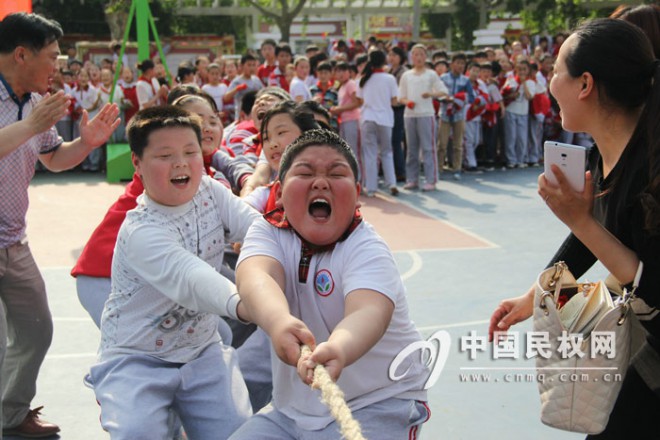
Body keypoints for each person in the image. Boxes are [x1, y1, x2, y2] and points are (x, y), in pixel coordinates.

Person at [488, 18, 660, 438]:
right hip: (640, 343)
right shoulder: (605, 154)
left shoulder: (651, 166)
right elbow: (587, 241)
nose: (549, 82)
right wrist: (533, 297)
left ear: (585, 84)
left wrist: (578, 219)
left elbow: (651, 285)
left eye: (554, 71)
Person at [230, 129, 430, 439]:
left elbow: (369, 312)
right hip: (290, 411)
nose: (321, 182)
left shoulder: (367, 248)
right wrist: (278, 321)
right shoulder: (267, 232)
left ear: (357, 193)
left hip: (378, 402)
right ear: (279, 192)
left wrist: (340, 348)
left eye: (337, 173)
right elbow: (257, 277)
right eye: (305, 172)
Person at [89, 106, 258, 439]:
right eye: (165, 155)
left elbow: (258, 230)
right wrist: (254, 305)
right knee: (139, 433)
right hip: (137, 356)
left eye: (190, 152)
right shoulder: (141, 230)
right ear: (136, 163)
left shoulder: (211, 191)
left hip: (202, 349)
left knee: (238, 433)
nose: (181, 163)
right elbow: (193, 280)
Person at [0, 12, 120, 437]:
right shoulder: (30, 111)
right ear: (20, 54)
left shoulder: (35, 103)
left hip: (13, 242)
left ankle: (11, 416)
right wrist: (29, 125)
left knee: (36, 330)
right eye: (51, 56)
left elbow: (53, 158)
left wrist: (84, 144)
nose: (58, 66)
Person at [398, 43, 448, 191]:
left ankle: (431, 179)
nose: (418, 57)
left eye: (421, 54)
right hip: (410, 115)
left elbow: (443, 92)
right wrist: (408, 102)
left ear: (426, 57)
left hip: (426, 114)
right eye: (415, 54)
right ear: (411, 57)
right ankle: (412, 179)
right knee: (412, 149)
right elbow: (401, 97)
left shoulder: (431, 74)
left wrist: (430, 94)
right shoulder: (406, 75)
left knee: (428, 148)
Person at [356, 50, 400, 197]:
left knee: (370, 154)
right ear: (384, 60)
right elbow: (394, 101)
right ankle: (391, 183)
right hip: (385, 119)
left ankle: (371, 187)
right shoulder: (390, 79)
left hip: (368, 118)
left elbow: (360, 100)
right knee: (387, 152)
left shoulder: (363, 78)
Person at [437, 52, 475, 180]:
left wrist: (459, 100)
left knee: (458, 144)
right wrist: (445, 99)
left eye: (462, 64)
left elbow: (471, 97)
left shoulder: (465, 80)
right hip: (444, 115)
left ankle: (457, 168)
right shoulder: (443, 78)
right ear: (452, 64)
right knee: (442, 143)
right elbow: (437, 94)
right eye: (458, 63)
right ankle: (439, 168)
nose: (460, 66)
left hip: (459, 115)